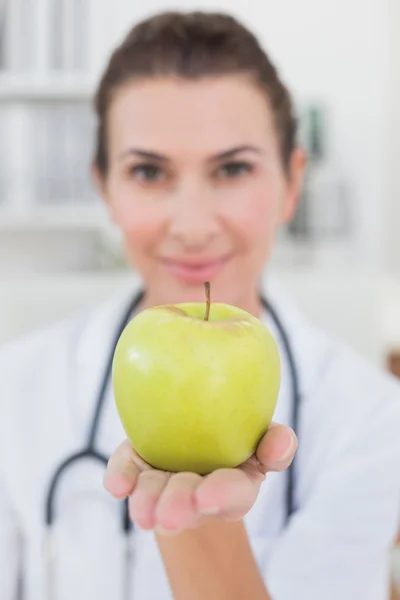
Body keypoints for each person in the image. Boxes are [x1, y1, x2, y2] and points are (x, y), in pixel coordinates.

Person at [0, 10, 399, 600]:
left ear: (292, 182)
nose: (191, 226)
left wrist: (203, 529)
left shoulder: (372, 417)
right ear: (104, 187)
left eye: (233, 168)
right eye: (148, 171)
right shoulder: (14, 387)